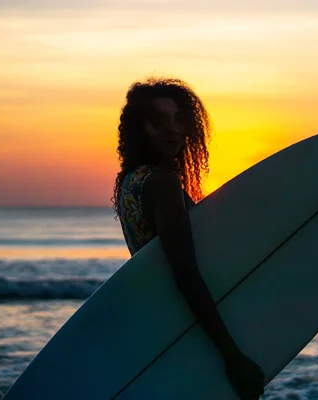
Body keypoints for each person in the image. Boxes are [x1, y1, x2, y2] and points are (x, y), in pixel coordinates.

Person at [111, 77, 265, 399]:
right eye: (159, 121)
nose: (173, 130)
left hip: (160, 324)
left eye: (179, 119)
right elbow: (186, 274)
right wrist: (231, 356)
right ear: (140, 128)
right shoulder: (162, 182)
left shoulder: (131, 180)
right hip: (187, 324)